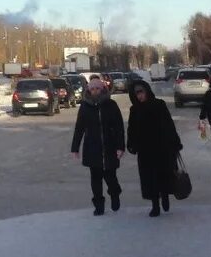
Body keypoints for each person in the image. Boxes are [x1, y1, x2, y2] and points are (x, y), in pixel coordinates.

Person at [70, 75, 126, 215]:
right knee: (95, 180)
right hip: (92, 148)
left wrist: (120, 146)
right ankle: (99, 206)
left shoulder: (111, 105)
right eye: (92, 88)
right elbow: (80, 128)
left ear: (102, 89)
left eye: (97, 88)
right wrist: (75, 147)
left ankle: (114, 195)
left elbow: (119, 127)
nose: (95, 91)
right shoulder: (85, 106)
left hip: (109, 147)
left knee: (110, 177)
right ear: (89, 90)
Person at [125, 79, 182, 217]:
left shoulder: (159, 105)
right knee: (149, 178)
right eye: (136, 94)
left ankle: (165, 195)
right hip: (145, 150)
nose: (139, 96)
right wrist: (131, 144)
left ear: (146, 91)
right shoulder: (135, 110)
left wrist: (175, 142)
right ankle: (155, 204)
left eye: (141, 92)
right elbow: (131, 129)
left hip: (162, 148)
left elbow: (169, 124)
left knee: (164, 174)